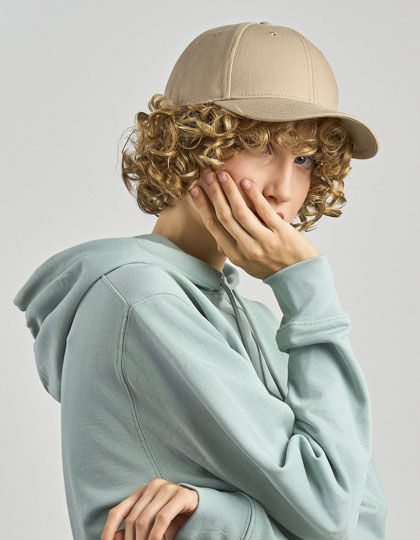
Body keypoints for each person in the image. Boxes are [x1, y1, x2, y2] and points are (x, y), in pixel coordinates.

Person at [13, 21, 388, 540]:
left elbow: (363, 523)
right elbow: (329, 510)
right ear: (190, 143)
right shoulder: (141, 301)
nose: (284, 188)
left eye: (303, 159)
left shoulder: (260, 320)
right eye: (259, 145)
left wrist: (218, 517)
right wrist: (308, 288)